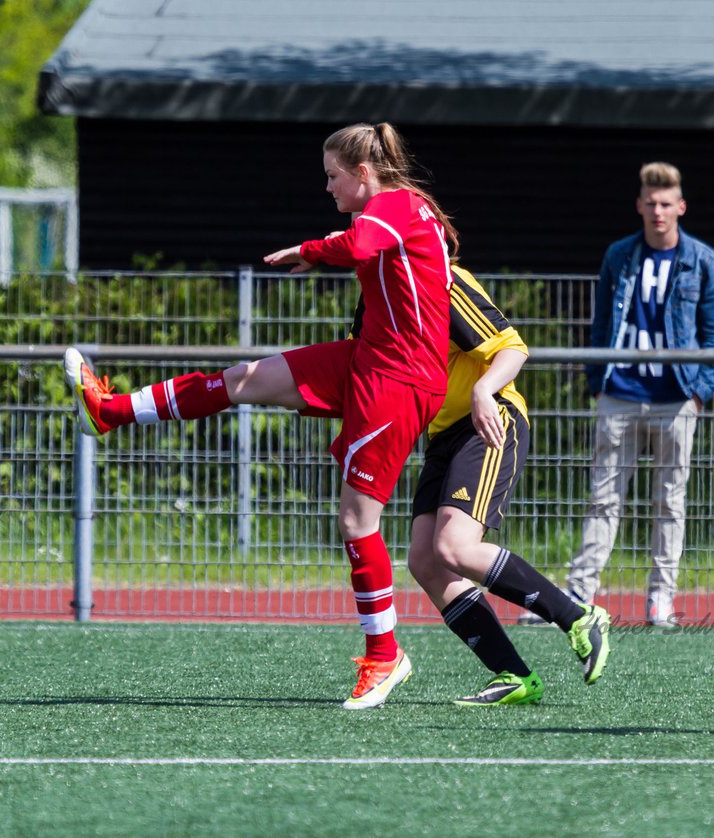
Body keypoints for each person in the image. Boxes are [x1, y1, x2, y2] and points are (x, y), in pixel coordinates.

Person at [64, 122, 453, 709]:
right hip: (369, 358)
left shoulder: (392, 207)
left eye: (332, 177)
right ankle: (111, 411)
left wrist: (310, 249)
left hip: (399, 380)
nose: (327, 188)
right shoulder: (402, 207)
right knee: (246, 379)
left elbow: (360, 247)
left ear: (363, 174)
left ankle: (384, 656)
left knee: (356, 518)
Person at [401, 263, 611, 705]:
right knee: (425, 560)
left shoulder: (438, 277)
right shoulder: (379, 296)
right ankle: (515, 676)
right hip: (441, 433)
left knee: (454, 547)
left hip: (488, 418)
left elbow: (513, 348)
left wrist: (483, 390)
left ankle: (577, 617)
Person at [556, 161, 714, 627]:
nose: (658, 211)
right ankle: (579, 593)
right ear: (639, 205)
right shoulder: (620, 256)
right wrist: (598, 384)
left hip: (678, 397)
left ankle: (661, 599)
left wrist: (699, 395)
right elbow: (600, 325)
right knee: (603, 497)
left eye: (666, 204)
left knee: (671, 499)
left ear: (681, 207)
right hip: (620, 392)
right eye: (650, 203)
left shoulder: (704, 261)